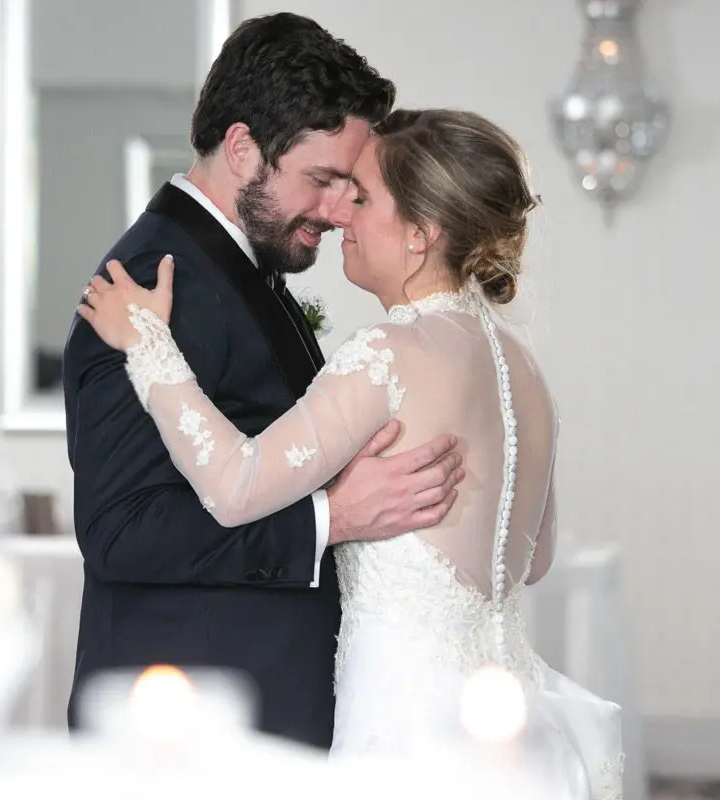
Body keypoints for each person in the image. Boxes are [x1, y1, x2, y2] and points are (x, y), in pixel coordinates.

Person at [77, 109, 625, 798]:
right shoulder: (524, 368)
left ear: (421, 234)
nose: (342, 215)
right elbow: (533, 561)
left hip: (403, 721)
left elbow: (236, 486)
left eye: (362, 198)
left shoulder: (388, 353)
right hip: (502, 720)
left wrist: (150, 348)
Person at [61, 14, 466, 749]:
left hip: (251, 706)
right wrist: (331, 519)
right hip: (190, 723)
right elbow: (121, 532)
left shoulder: (233, 267)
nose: (338, 211)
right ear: (244, 148)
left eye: (349, 186)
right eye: (323, 180)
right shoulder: (154, 281)